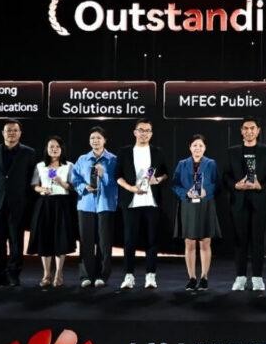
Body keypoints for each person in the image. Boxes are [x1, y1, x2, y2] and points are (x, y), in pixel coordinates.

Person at [225, 117, 266, 292]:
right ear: (241, 131)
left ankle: (257, 278)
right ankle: (240, 277)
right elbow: (226, 176)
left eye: (252, 128)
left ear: (258, 130)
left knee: (258, 241)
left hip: (260, 202)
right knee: (240, 241)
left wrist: (260, 185)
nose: (249, 131)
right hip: (238, 202)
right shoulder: (232, 151)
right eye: (246, 128)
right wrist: (235, 185)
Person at [0, 119, 36, 287]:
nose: (11, 133)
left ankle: (14, 274)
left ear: (20, 133)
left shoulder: (29, 153)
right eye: (8, 130)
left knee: (16, 239)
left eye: (15, 130)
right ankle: (0, 273)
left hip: (17, 203)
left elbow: (31, 177)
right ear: (3, 133)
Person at [116, 118, 169, 290]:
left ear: (151, 134)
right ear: (135, 132)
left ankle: (150, 276)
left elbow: (165, 173)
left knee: (152, 240)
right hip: (131, 202)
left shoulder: (158, 152)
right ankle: (129, 276)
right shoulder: (124, 152)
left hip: (152, 202)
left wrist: (157, 180)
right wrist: (131, 188)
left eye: (147, 131)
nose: (144, 133)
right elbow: (118, 176)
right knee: (129, 240)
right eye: (141, 130)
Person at [27, 135, 77, 287]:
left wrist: (61, 182)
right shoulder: (40, 165)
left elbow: (73, 187)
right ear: (47, 149)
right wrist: (42, 189)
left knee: (61, 238)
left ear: (62, 149)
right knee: (45, 238)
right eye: (51, 147)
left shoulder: (69, 166)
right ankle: (46, 274)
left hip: (62, 204)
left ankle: (58, 274)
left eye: (57, 147)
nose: (54, 149)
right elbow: (34, 185)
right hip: (45, 204)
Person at [172, 134, 220, 291]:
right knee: (189, 242)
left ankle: (204, 277)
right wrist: (186, 193)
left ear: (205, 148)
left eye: (200, 145)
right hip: (188, 205)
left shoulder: (211, 163)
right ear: (190, 147)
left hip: (206, 204)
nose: (197, 148)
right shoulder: (182, 164)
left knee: (205, 242)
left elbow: (217, 183)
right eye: (195, 145)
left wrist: (207, 191)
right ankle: (192, 278)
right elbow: (175, 184)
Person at [71, 126, 117, 288]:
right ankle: (86, 275)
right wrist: (84, 187)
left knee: (105, 242)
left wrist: (104, 174)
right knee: (86, 241)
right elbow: (74, 179)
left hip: (106, 204)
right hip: (86, 204)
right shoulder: (83, 159)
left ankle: (102, 275)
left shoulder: (113, 159)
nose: (95, 141)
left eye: (98, 138)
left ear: (105, 140)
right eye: (92, 138)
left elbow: (117, 182)